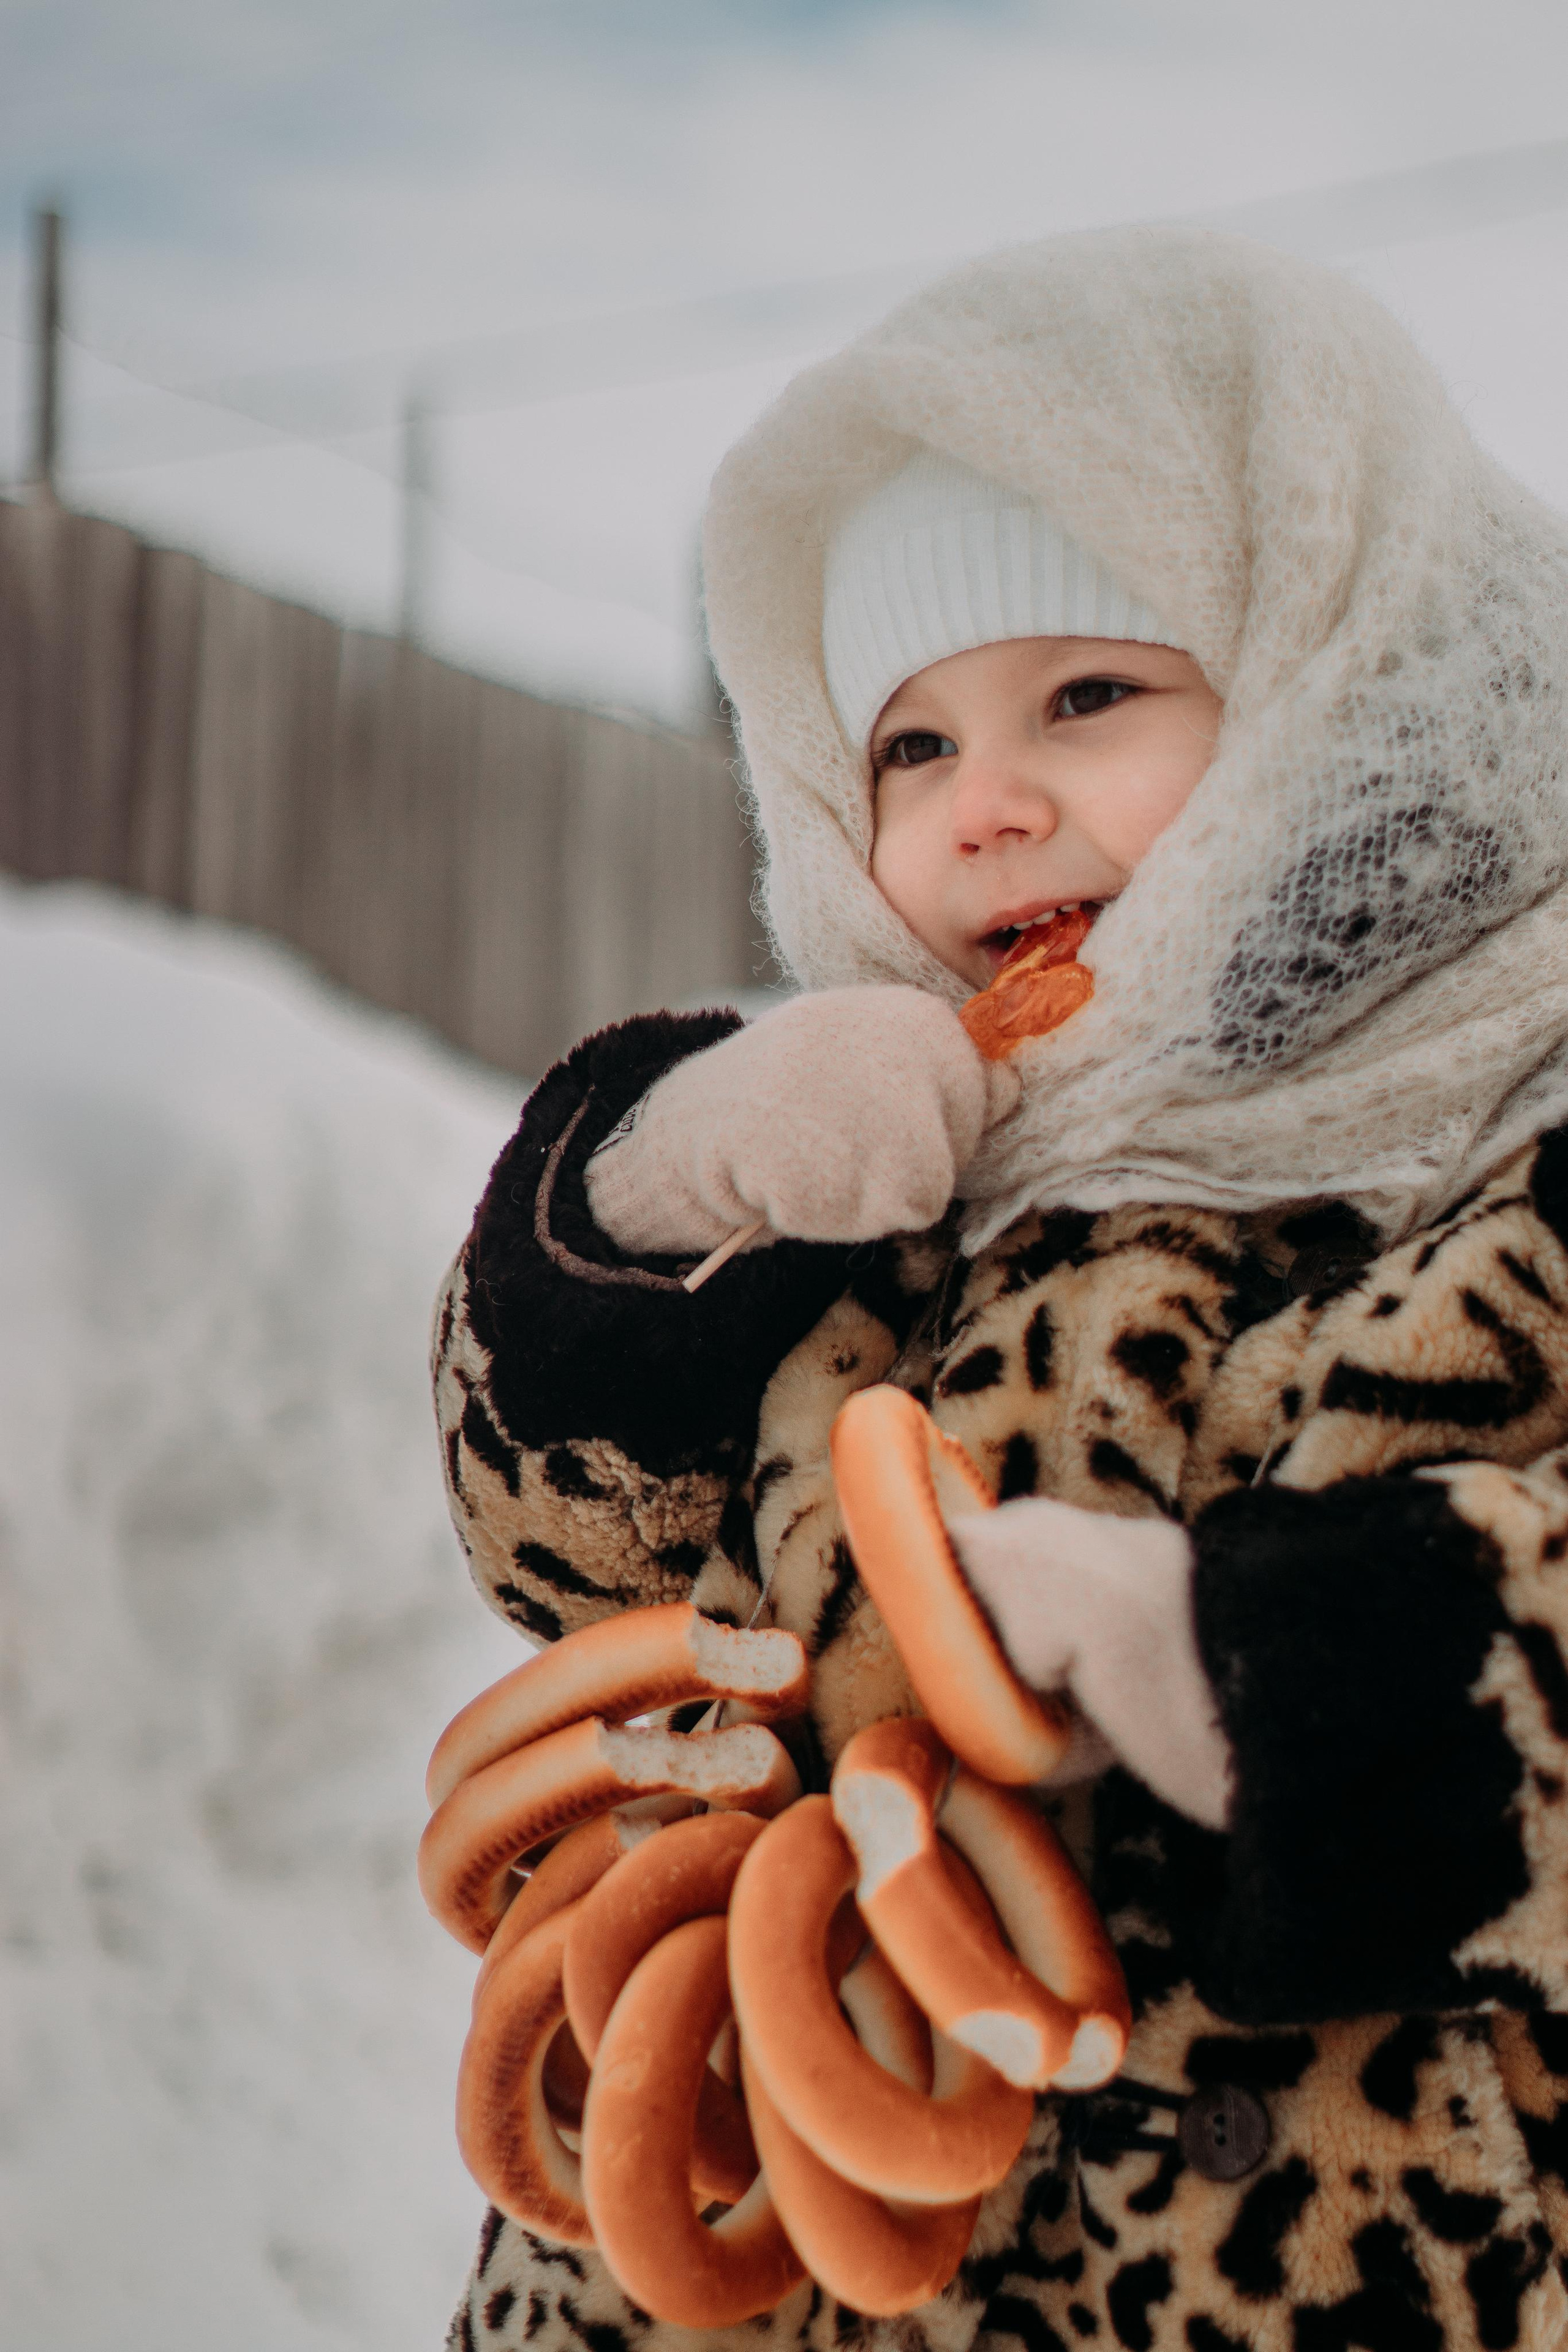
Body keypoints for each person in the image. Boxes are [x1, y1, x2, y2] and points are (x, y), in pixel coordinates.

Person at [432, 227, 1568, 2352]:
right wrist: (666, 1198)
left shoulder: (1523, 1135)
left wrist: (1262, 1669)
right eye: (909, 750)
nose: (989, 810)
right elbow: (553, 1562)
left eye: (1089, 695)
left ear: (1347, 684)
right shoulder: (876, 1155)